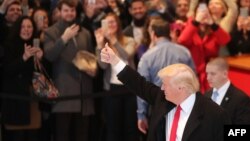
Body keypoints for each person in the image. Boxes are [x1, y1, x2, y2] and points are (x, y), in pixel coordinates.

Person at [100, 43, 231, 141]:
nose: (161, 88)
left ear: (181, 87)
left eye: (165, 84)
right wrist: (114, 60)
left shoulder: (214, 114)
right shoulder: (161, 99)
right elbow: (138, 83)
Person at [43, 1, 95, 141]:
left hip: (84, 94)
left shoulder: (85, 33)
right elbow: (49, 56)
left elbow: (91, 58)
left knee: (82, 135)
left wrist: (93, 70)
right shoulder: (50, 32)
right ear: (60, 11)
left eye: (72, 10)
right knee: (62, 136)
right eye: (66, 10)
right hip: (64, 95)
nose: (69, 13)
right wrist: (64, 38)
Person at [136, 18, 195, 137]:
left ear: (153, 34)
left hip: (157, 105)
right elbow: (193, 80)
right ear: (169, 32)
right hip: (183, 104)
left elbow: (141, 87)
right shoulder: (184, 52)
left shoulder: (147, 56)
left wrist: (141, 115)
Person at [95, 12, 139, 141]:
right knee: (113, 128)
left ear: (118, 24)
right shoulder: (103, 44)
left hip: (130, 88)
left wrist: (113, 40)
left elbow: (127, 55)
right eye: (107, 23)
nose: (110, 25)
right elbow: (102, 66)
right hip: (112, 88)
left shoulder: (129, 40)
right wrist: (99, 45)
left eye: (113, 22)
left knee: (130, 127)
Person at [1, 16, 43, 141]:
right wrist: (24, 58)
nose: (26, 29)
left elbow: (40, 77)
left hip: (32, 98)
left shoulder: (37, 46)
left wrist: (39, 61)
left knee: (32, 135)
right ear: (17, 28)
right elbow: (6, 71)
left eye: (29, 26)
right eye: (23, 26)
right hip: (14, 99)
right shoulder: (8, 45)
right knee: (16, 136)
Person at [205, 57, 250, 124]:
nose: (208, 78)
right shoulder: (206, 95)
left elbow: (242, 131)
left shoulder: (241, 99)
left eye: (213, 74)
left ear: (225, 74)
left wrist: (219, 134)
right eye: (207, 73)